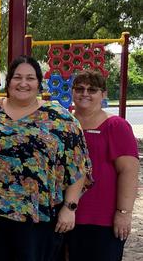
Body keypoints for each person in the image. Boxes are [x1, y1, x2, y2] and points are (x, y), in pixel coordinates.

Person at [0, 55, 92, 261]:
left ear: (39, 83)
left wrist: (69, 208)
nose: (23, 83)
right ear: (8, 81)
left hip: (38, 217)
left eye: (30, 78)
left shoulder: (60, 118)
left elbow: (78, 166)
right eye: (17, 77)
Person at [65, 70, 139, 261]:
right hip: (65, 216)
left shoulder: (116, 126)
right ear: (72, 92)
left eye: (92, 89)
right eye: (79, 88)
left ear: (103, 94)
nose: (85, 93)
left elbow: (129, 171)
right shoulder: (63, 124)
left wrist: (124, 213)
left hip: (102, 219)